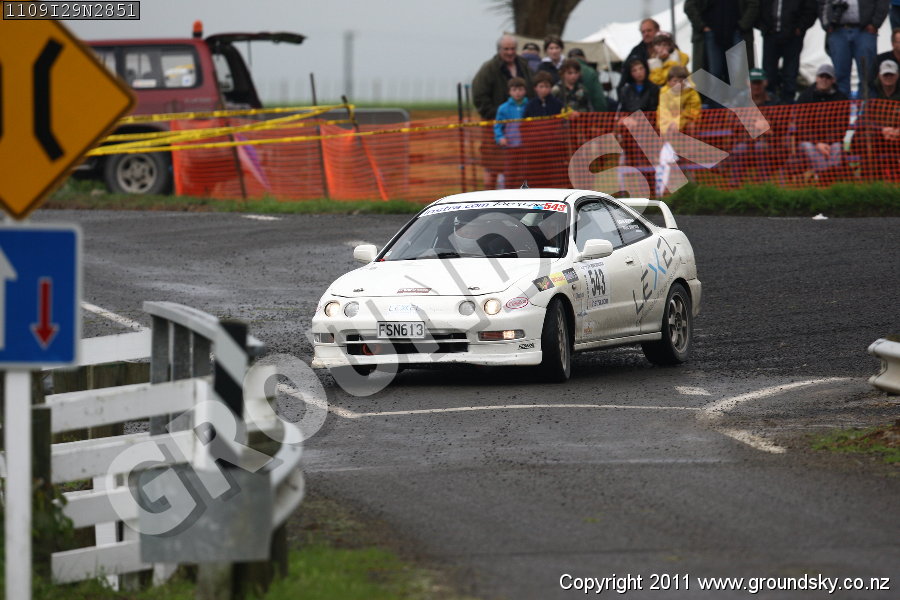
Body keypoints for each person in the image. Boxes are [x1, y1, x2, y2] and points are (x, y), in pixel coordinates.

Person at [473, 35, 534, 187]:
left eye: (512, 49)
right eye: (506, 49)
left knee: (519, 167)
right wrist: (497, 116)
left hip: (521, 127)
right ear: (499, 50)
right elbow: (479, 95)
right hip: (494, 124)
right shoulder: (489, 68)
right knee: (492, 164)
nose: (510, 52)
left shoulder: (524, 65)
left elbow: (532, 89)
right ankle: (489, 195)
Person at [818, 0, 890, 97]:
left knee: (868, 75)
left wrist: (875, 23)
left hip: (865, 31)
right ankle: (842, 104)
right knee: (840, 76)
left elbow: (882, 3)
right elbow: (822, 3)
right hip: (837, 31)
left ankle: (866, 105)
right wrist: (826, 24)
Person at [793, 63, 850, 180]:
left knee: (837, 147)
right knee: (808, 147)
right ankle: (825, 175)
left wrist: (827, 143)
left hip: (832, 142)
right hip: (809, 141)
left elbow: (841, 125)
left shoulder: (841, 98)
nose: (824, 79)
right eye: (821, 76)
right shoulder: (805, 96)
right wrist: (817, 143)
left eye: (828, 77)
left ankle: (827, 176)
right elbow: (801, 125)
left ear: (833, 80)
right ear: (816, 78)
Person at [728, 68, 783, 185]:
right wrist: (752, 123)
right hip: (743, 139)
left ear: (765, 83)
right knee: (740, 148)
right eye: (754, 83)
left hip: (768, 142)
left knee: (760, 147)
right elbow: (731, 121)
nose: (756, 86)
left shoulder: (774, 100)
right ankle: (734, 183)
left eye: (759, 83)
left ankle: (764, 183)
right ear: (748, 83)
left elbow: (779, 124)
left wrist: (766, 125)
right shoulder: (739, 99)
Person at [757, 0, 818, 103]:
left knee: (790, 75)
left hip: (793, 37)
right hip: (770, 36)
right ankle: (769, 105)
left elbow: (811, 9)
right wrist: (764, 27)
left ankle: (787, 106)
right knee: (769, 74)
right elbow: (757, 7)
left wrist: (800, 28)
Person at [685, 0, 758, 84]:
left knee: (738, 74)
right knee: (715, 73)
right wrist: (702, 26)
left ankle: (736, 92)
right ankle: (716, 92)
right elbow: (689, 6)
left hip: (737, 32)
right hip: (711, 33)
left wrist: (743, 25)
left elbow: (754, 5)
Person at [656, 66, 702, 195]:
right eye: (675, 81)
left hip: (686, 126)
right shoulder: (664, 92)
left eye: (681, 81)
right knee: (666, 133)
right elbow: (663, 112)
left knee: (691, 126)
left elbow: (694, 111)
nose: (678, 84)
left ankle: (689, 153)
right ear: (669, 81)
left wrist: (677, 121)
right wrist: (671, 123)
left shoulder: (691, 92)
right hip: (668, 128)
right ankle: (671, 158)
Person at [523, 71, 566, 187]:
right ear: (535, 88)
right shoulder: (530, 105)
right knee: (536, 176)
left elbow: (562, 124)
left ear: (551, 88)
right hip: (535, 149)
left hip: (554, 148)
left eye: (547, 86)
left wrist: (556, 138)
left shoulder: (558, 104)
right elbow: (525, 126)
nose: (544, 89)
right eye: (541, 86)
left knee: (555, 177)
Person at [494, 77, 529, 189]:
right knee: (510, 172)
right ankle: (509, 191)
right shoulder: (503, 108)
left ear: (525, 91)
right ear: (509, 91)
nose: (517, 92)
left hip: (526, 146)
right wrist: (500, 138)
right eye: (514, 90)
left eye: (520, 89)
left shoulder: (529, 105)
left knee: (525, 171)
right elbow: (498, 126)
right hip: (510, 146)